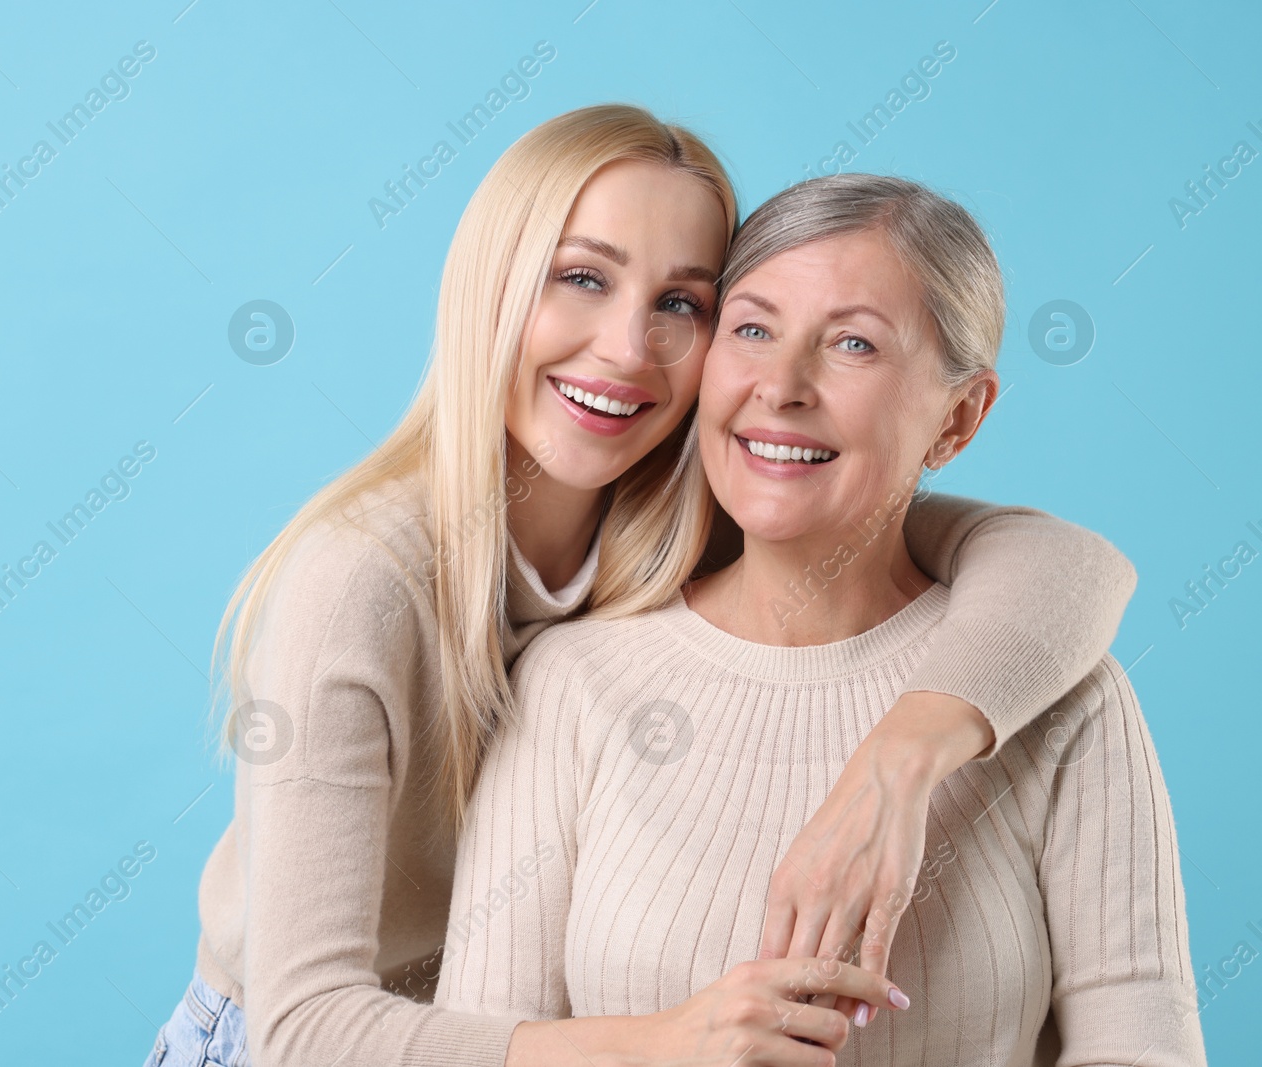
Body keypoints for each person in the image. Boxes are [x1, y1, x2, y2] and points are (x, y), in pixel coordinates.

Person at [142, 106, 1139, 1067]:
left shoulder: (690, 518)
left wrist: (897, 763)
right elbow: (303, 1032)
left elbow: (1069, 566)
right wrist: (668, 1041)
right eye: (581, 277)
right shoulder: (363, 579)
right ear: (491, 287)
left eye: (681, 304)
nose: (626, 347)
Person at [434, 173, 1204, 1066]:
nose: (782, 386)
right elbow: (483, 1045)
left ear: (957, 419)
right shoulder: (575, 685)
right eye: (752, 329)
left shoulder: (1059, 695)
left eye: (853, 345)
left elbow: (1141, 1042)